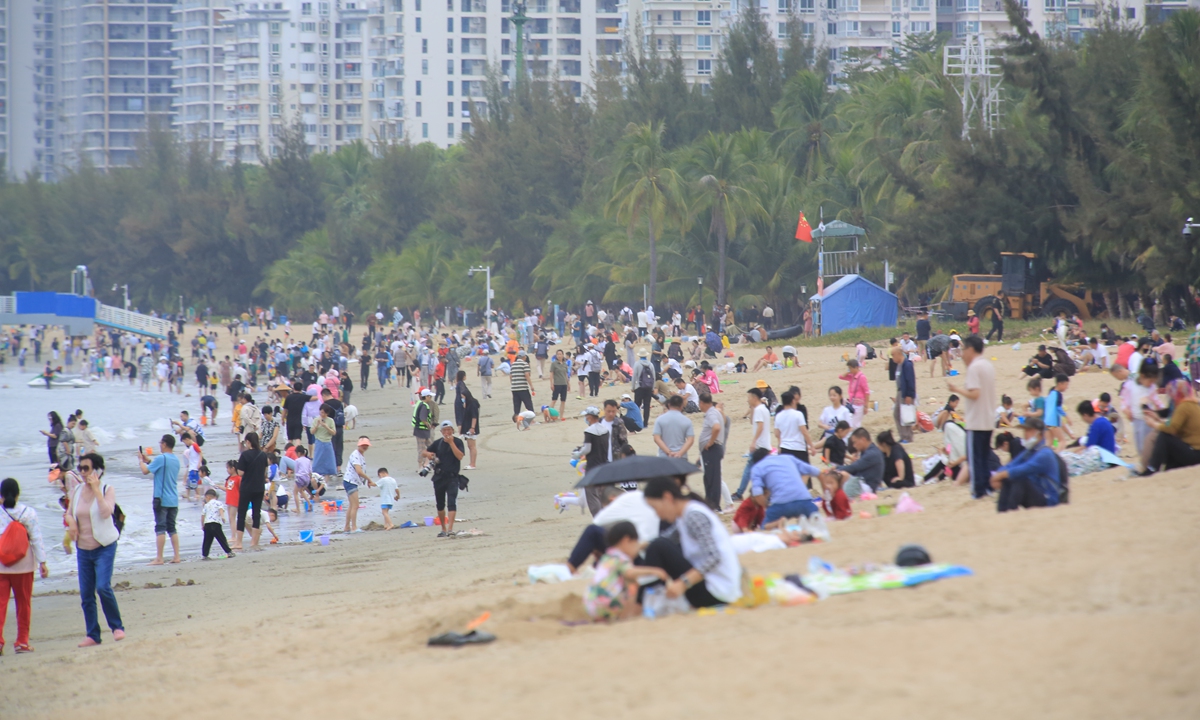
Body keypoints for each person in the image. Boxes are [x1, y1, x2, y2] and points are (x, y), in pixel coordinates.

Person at [640, 478, 742, 608]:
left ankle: (646, 602)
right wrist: (637, 547)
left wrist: (683, 583)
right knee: (657, 545)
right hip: (716, 587)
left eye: (655, 508)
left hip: (718, 591)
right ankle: (646, 599)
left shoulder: (694, 515)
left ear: (667, 497)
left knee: (658, 546)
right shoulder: (685, 514)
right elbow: (669, 538)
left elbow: (714, 556)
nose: (657, 514)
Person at [66, 453, 125, 647]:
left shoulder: (108, 489)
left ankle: (117, 627)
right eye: (80, 468)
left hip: (104, 546)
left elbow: (106, 512)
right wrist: (71, 522)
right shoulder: (76, 491)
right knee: (86, 593)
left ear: (97, 470)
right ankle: (93, 634)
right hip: (83, 548)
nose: (82, 472)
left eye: (86, 468)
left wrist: (97, 489)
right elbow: (68, 513)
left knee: (102, 587)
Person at [584, 521, 671, 622]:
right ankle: (625, 618)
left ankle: (602, 619)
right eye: (635, 543)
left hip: (590, 604)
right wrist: (654, 571)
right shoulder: (621, 557)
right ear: (626, 540)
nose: (637, 548)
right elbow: (630, 572)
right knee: (632, 583)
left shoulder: (608, 556)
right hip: (606, 604)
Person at [0, 478, 49, 654]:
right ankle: (22, 642)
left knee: (0, 604)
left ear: (1, 496)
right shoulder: (29, 513)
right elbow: (36, 539)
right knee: (23, 604)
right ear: (18, 494)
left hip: (1, 566)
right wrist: (42, 562)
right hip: (24, 566)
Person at [947, 335, 996, 499]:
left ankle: (978, 491)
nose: (962, 355)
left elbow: (975, 393)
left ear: (970, 349)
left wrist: (956, 389)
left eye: (963, 350)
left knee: (975, 460)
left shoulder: (974, 368)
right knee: (983, 458)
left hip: (976, 422)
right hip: (988, 420)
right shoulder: (988, 365)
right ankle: (987, 488)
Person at [989, 418, 1066, 512]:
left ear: (1039, 433)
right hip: (1036, 492)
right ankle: (1002, 512)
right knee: (1009, 479)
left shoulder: (1045, 454)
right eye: (1025, 431)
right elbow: (1012, 464)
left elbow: (1024, 469)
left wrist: (1001, 475)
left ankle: (1009, 512)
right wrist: (998, 474)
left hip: (1048, 499)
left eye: (1029, 431)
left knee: (1019, 479)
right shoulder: (1030, 451)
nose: (1025, 434)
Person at [1141, 379, 1200, 474]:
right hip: (1195, 452)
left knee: (1164, 437)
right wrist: (1158, 419)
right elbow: (1174, 425)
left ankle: (1152, 469)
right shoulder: (1192, 404)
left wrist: (1154, 424)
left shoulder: (1184, 406)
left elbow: (1172, 429)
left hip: (1195, 453)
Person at [747, 448, 822, 523]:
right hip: (803, 500)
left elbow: (757, 494)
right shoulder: (787, 458)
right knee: (816, 520)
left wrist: (767, 507)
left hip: (780, 504)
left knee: (765, 528)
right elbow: (814, 471)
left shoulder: (758, 468)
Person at [138, 434, 181, 566]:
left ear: (164, 444)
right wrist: (148, 460)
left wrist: (140, 460)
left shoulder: (161, 458)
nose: (159, 445)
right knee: (172, 528)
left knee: (160, 528)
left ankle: (159, 558)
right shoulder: (175, 459)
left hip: (161, 498)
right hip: (173, 498)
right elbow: (161, 469)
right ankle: (176, 556)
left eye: (160, 443)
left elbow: (145, 471)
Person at [424, 422, 466, 536]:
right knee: (440, 504)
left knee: (452, 502)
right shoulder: (438, 443)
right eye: (444, 430)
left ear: (452, 430)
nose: (447, 432)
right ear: (441, 432)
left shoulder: (457, 442)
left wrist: (451, 443)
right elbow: (425, 451)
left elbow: (460, 456)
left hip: (452, 477)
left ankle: (450, 528)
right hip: (439, 477)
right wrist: (429, 455)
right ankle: (443, 528)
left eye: (449, 430)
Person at [732, 388, 773, 501]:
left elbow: (760, 426)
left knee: (750, 470)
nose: (747, 400)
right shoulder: (761, 409)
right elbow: (752, 422)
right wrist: (752, 408)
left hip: (760, 446)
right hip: (764, 445)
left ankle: (740, 493)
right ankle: (767, 493)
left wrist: (753, 442)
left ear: (754, 398)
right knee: (758, 470)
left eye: (749, 397)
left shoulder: (760, 409)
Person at [235, 432, 269, 549]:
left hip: (247, 488)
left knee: (241, 514)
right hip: (259, 487)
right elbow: (265, 472)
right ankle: (254, 542)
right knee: (256, 514)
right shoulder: (263, 455)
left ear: (248, 442)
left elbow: (240, 473)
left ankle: (238, 542)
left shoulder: (245, 455)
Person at [831, 428, 886, 497]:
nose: (854, 445)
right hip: (862, 482)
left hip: (867, 487)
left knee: (843, 474)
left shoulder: (872, 454)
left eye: (855, 442)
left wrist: (836, 467)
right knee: (839, 474)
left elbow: (854, 468)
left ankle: (840, 498)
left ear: (862, 439)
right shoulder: (869, 451)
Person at [698, 392, 726, 510]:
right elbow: (723, 422)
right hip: (714, 449)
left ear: (703, 403)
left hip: (712, 449)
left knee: (712, 478)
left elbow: (717, 427)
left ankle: (714, 505)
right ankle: (710, 503)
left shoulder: (711, 414)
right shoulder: (715, 411)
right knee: (710, 477)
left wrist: (710, 442)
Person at [342, 437, 374, 533]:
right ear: (359, 445)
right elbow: (359, 471)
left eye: (366, 445)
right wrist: (369, 479)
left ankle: (347, 527)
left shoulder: (360, 454)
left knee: (352, 505)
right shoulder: (355, 455)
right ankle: (354, 527)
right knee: (355, 505)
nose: (365, 447)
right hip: (350, 482)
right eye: (363, 445)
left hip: (350, 482)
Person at [775, 390, 814, 464]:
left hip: (784, 448)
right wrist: (811, 446)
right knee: (804, 473)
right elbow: (804, 432)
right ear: (792, 401)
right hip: (798, 448)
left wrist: (780, 445)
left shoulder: (778, 416)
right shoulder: (798, 414)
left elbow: (777, 434)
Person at [652, 395, 695, 460]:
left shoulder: (660, 419)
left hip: (664, 456)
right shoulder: (687, 421)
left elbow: (656, 438)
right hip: (681, 457)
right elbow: (690, 440)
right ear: (681, 406)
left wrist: (669, 452)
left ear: (669, 405)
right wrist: (680, 453)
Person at [892, 346, 917, 443]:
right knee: (897, 414)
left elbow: (910, 380)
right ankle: (903, 435)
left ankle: (907, 436)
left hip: (906, 393)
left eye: (893, 355)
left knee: (905, 415)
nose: (893, 357)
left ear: (899, 354)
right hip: (900, 392)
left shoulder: (907, 365)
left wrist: (909, 395)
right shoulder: (899, 365)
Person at [199, 489, 233, 559]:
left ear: (208, 497)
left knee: (207, 540)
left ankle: (205, 555)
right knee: (221, 538)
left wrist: (202, 525)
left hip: (207, 524)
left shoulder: (206, 505)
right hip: (215, 523)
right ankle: (229, 552)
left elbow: (203, 516)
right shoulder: (218, 503)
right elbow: (220, 509)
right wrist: (223, 517)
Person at [839, 359, 871, 428]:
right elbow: (841, 376)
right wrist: (848, 371)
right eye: (849, 368)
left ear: (856, 367)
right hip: (852, 402)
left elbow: (867, 392)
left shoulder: (862, 377)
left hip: (860, 404)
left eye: (850, 368)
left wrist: (866, 406)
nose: (850, 370)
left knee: (855, 424)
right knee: (851, 422)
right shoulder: (852, 376)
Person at [510, 349, 534, 424]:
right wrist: (531, 386)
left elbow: (510, 376)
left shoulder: (513, 364)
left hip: (514, 388)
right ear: (524, 357)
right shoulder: (525, 364)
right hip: (523, 388)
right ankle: (531, 420)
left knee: (517, 406)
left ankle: (517, 420)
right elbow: (527, 375)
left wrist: (513, 384)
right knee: (528, 404)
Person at [549, 348, 569, 420]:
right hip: (557, 384)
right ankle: (549, 415)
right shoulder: (554, 364)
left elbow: (566, 374)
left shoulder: (564, 364)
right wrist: (551, 384)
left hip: (564, 384)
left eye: (560, 354)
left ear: (563, 355)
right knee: (554, 399)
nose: (559, 356)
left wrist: (568, 383)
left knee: (563, 401)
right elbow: (551, 374)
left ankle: (561, 416)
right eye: (558, 354)